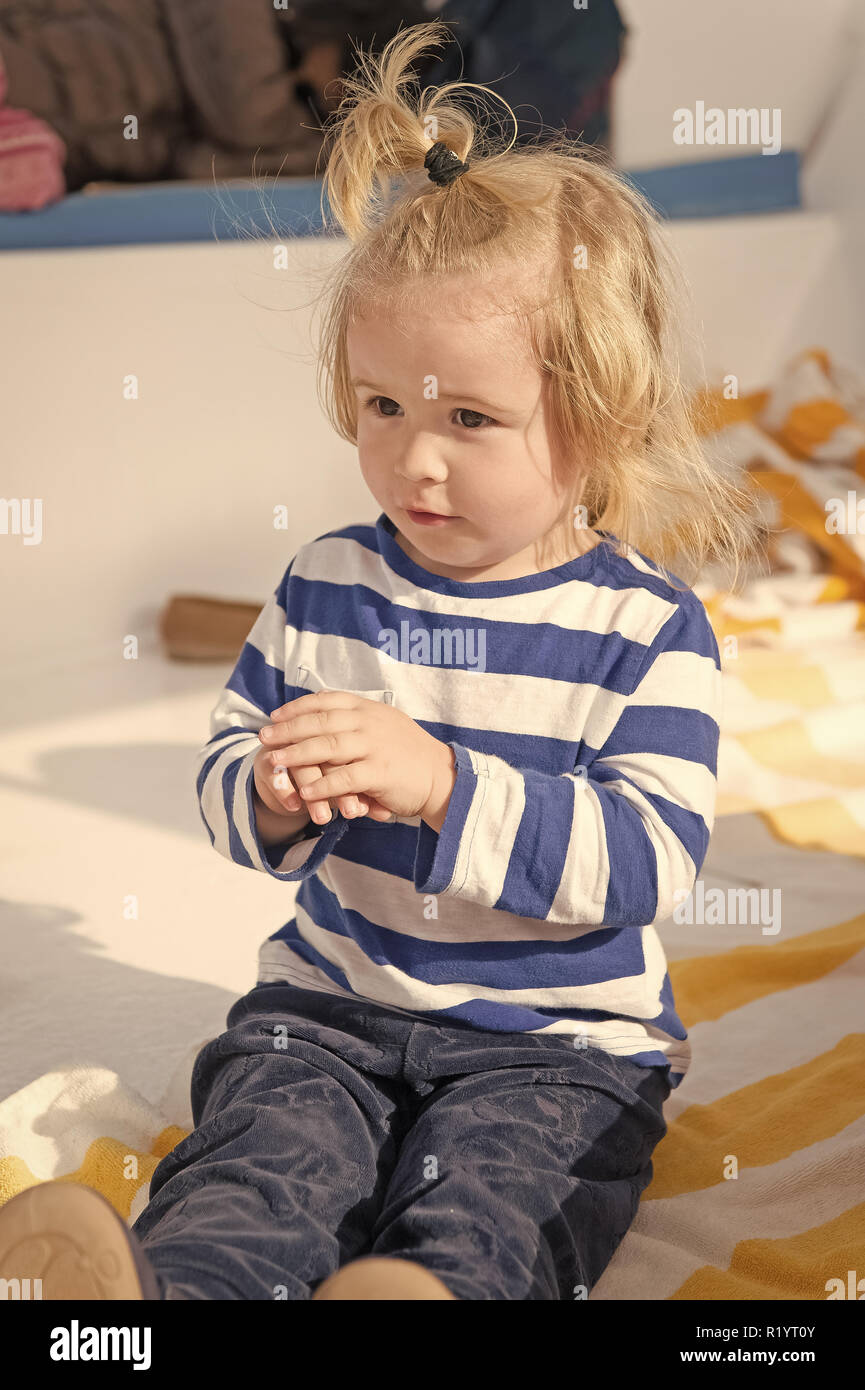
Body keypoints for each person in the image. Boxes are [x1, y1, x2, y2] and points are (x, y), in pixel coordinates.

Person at [0, 20, 761, 1301]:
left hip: (557, 1049)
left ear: (601, 409)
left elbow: (643, 862)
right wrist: (266, 795)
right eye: (383, 407)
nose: (415, 458)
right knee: (257, 1165)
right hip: (327, 1014)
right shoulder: (326, 585)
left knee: (506, 1193)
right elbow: (228, 769)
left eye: (470, 418)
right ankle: (151, 1304)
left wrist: (446, 786)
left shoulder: (644, 630)